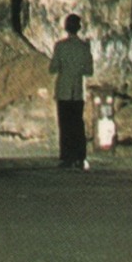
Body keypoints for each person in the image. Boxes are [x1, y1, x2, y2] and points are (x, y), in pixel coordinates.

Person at [49, 14, 94, 169]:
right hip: (77, 90)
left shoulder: (60, 46)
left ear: (66, 27)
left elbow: (53, 68)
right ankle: (80, 156)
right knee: (77, 124)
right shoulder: (84, 47)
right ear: (79, 28)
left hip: (63, 90)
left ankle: (67, 157)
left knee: (65, 124)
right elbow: (89, 71)